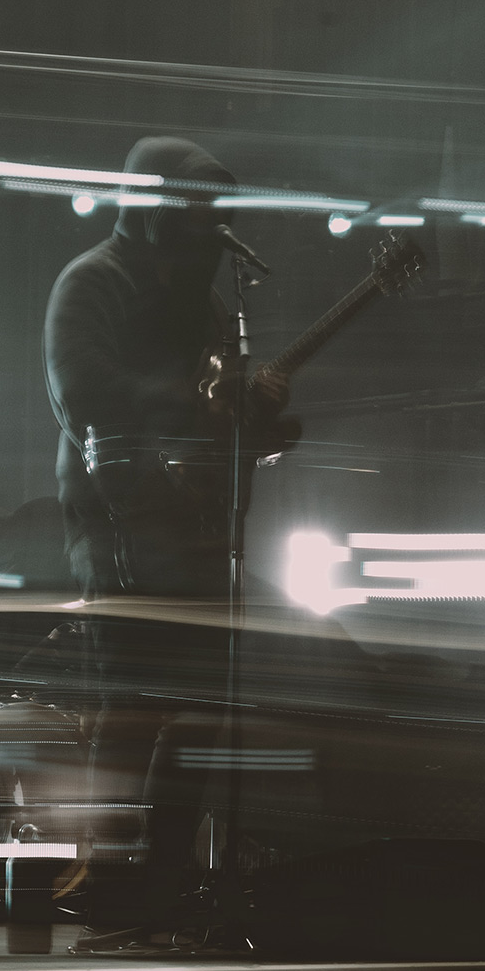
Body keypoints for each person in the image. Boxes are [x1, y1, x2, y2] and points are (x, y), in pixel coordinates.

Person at [42, 135, 289, 692]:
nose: (209, 218)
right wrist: (183, 400)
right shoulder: (92, 281)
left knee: (201, 696)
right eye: (194, 201)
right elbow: (81, 392)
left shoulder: (206, 302)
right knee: (132, 692)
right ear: (156, 204)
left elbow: (217, 406)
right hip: (116, 523)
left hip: (194, 531)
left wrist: (254, 419)